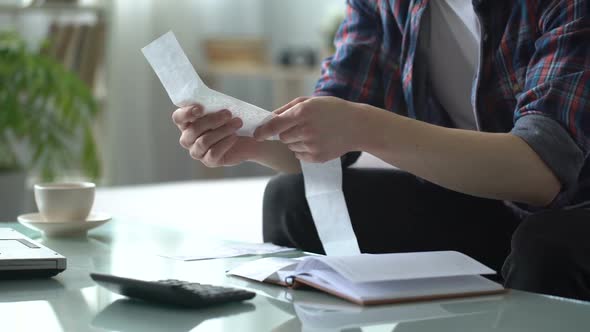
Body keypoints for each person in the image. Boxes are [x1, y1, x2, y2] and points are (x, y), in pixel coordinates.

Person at [171, 0, 590, 301]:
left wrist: (364, 125)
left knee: (544, 245)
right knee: (289, 200)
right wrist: (249, 139)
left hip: (573, 209)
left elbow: (541, 171)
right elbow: (331, 138)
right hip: (489, 207)